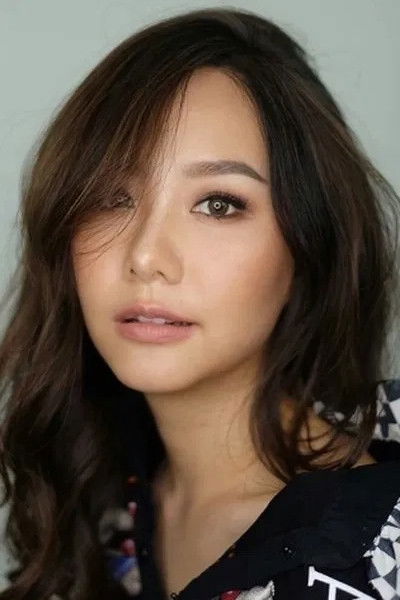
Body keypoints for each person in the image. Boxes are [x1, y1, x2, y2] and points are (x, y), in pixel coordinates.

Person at [0, 6, 399, 600]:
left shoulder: (371, 555)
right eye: (112, 197)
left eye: (218, 204)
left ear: (309, 244)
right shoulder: (101, 499)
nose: (146, 256)